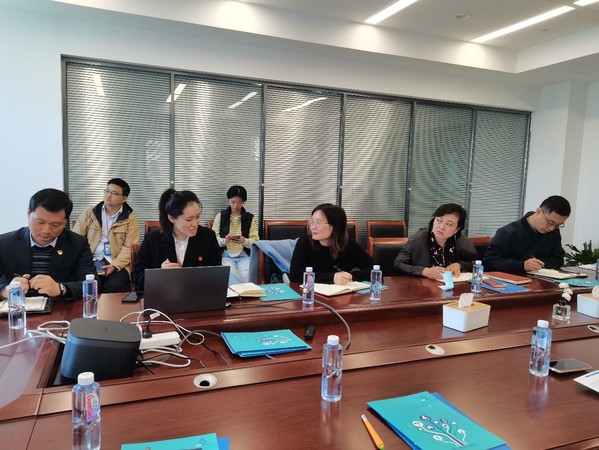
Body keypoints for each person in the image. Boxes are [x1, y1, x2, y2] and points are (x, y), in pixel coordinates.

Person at [0, 188, 95, 300]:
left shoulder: (78, 244)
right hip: (18, 307)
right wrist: (4, 291)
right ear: (28, 213)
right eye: (40, 222)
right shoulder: (4, 243)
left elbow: (92, 282)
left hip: (60, 307)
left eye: (55, 225)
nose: (46, 230)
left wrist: (61, 288)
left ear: (65, 222)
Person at [131, 189, 221, 291]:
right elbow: (136, 276)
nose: (195, 223)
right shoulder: (153, 239)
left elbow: (216, 275)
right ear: (172, 218)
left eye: (198, 217)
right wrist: (160, 274)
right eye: (189, 219)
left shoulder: (208, 236)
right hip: (164, 294)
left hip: (197, 294)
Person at [72, 178, 140, 293]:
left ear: (124, 198)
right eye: (107, 191)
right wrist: (84, 260)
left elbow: (130, 247)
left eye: (114, 193)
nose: (108, 195)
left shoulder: (130, 219)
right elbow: (76, 239)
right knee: (92, 285)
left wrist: (114, 265)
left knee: (114, 286)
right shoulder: (90, 213)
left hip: (118, 263)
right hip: (91, 260)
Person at [483, 195, 570, 273]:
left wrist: (538, 263)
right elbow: (488, 263)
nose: (552, 228)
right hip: (512, 281)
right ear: (539, 211)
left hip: (542, 279)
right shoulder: (508, 232)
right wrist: (522, 265)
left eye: (558, 225)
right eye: (550, 222)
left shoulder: (554, 232)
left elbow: (558, 259)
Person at [289, 203, 373, 284]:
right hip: (312, 292)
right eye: (312, 222)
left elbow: (374, 270)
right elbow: (295, 275)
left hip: (342, 292)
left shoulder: (349, 245)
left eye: (318, 222)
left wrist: (350, 276)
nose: (312, 227)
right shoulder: (304, 242)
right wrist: (332, 278)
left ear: (335, 226)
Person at [393, 203, 477, 280]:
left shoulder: (460, 240)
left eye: (448, 224)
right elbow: (398, 264)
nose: (441, 227)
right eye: (439, 220)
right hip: (422, 287)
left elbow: (475, 263)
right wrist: (424, 271)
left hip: (451, 287)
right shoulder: (417, 239)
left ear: (457, 229)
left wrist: (459, 265)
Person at [212, 185, 259, 285]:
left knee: (247, 275)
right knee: (231, 275)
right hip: (225, 255)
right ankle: (237, 294)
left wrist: (244, 241)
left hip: (244, 255)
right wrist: (224, 241)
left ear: (244, 202)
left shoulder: (249, 218)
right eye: (233, 202)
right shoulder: (220, 216)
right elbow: (212, 238)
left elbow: (256, 240)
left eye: (239, 202)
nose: (235, 206)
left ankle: (247, 294)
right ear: (228, 201)